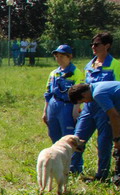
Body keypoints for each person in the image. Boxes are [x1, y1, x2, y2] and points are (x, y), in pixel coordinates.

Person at [74, 32, 120, 180]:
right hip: (88, 108)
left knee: (104, 142)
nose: (93, 47)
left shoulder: (115, 65)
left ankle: (102, 174)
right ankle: (73, 169)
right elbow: (83, 86)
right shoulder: (89, 65)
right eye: (91, 44)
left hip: (105, 109)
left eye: (96, 44)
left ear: (107, 46)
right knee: (77, 137)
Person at [42, 44, 84, 174]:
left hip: (68, 106)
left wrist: (75, 109)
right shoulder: (54, 73)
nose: (59, 59)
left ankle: (74, 167)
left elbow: (79, 93)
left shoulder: (76, 73)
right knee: (54, 134)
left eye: (62, 56)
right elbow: (48, 93)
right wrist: (45, 111)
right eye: (57, 56)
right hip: (54, 105)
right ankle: (58, 162)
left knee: (69, 138)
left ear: (69, 57)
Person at [68, 81, 120, 173]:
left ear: (84, 94)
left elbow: (114, 116)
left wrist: (117, 139)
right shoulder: (95, 87)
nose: (86, 102)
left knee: (104, 140)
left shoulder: (98, 94)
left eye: (83, 101)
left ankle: (102, 174)